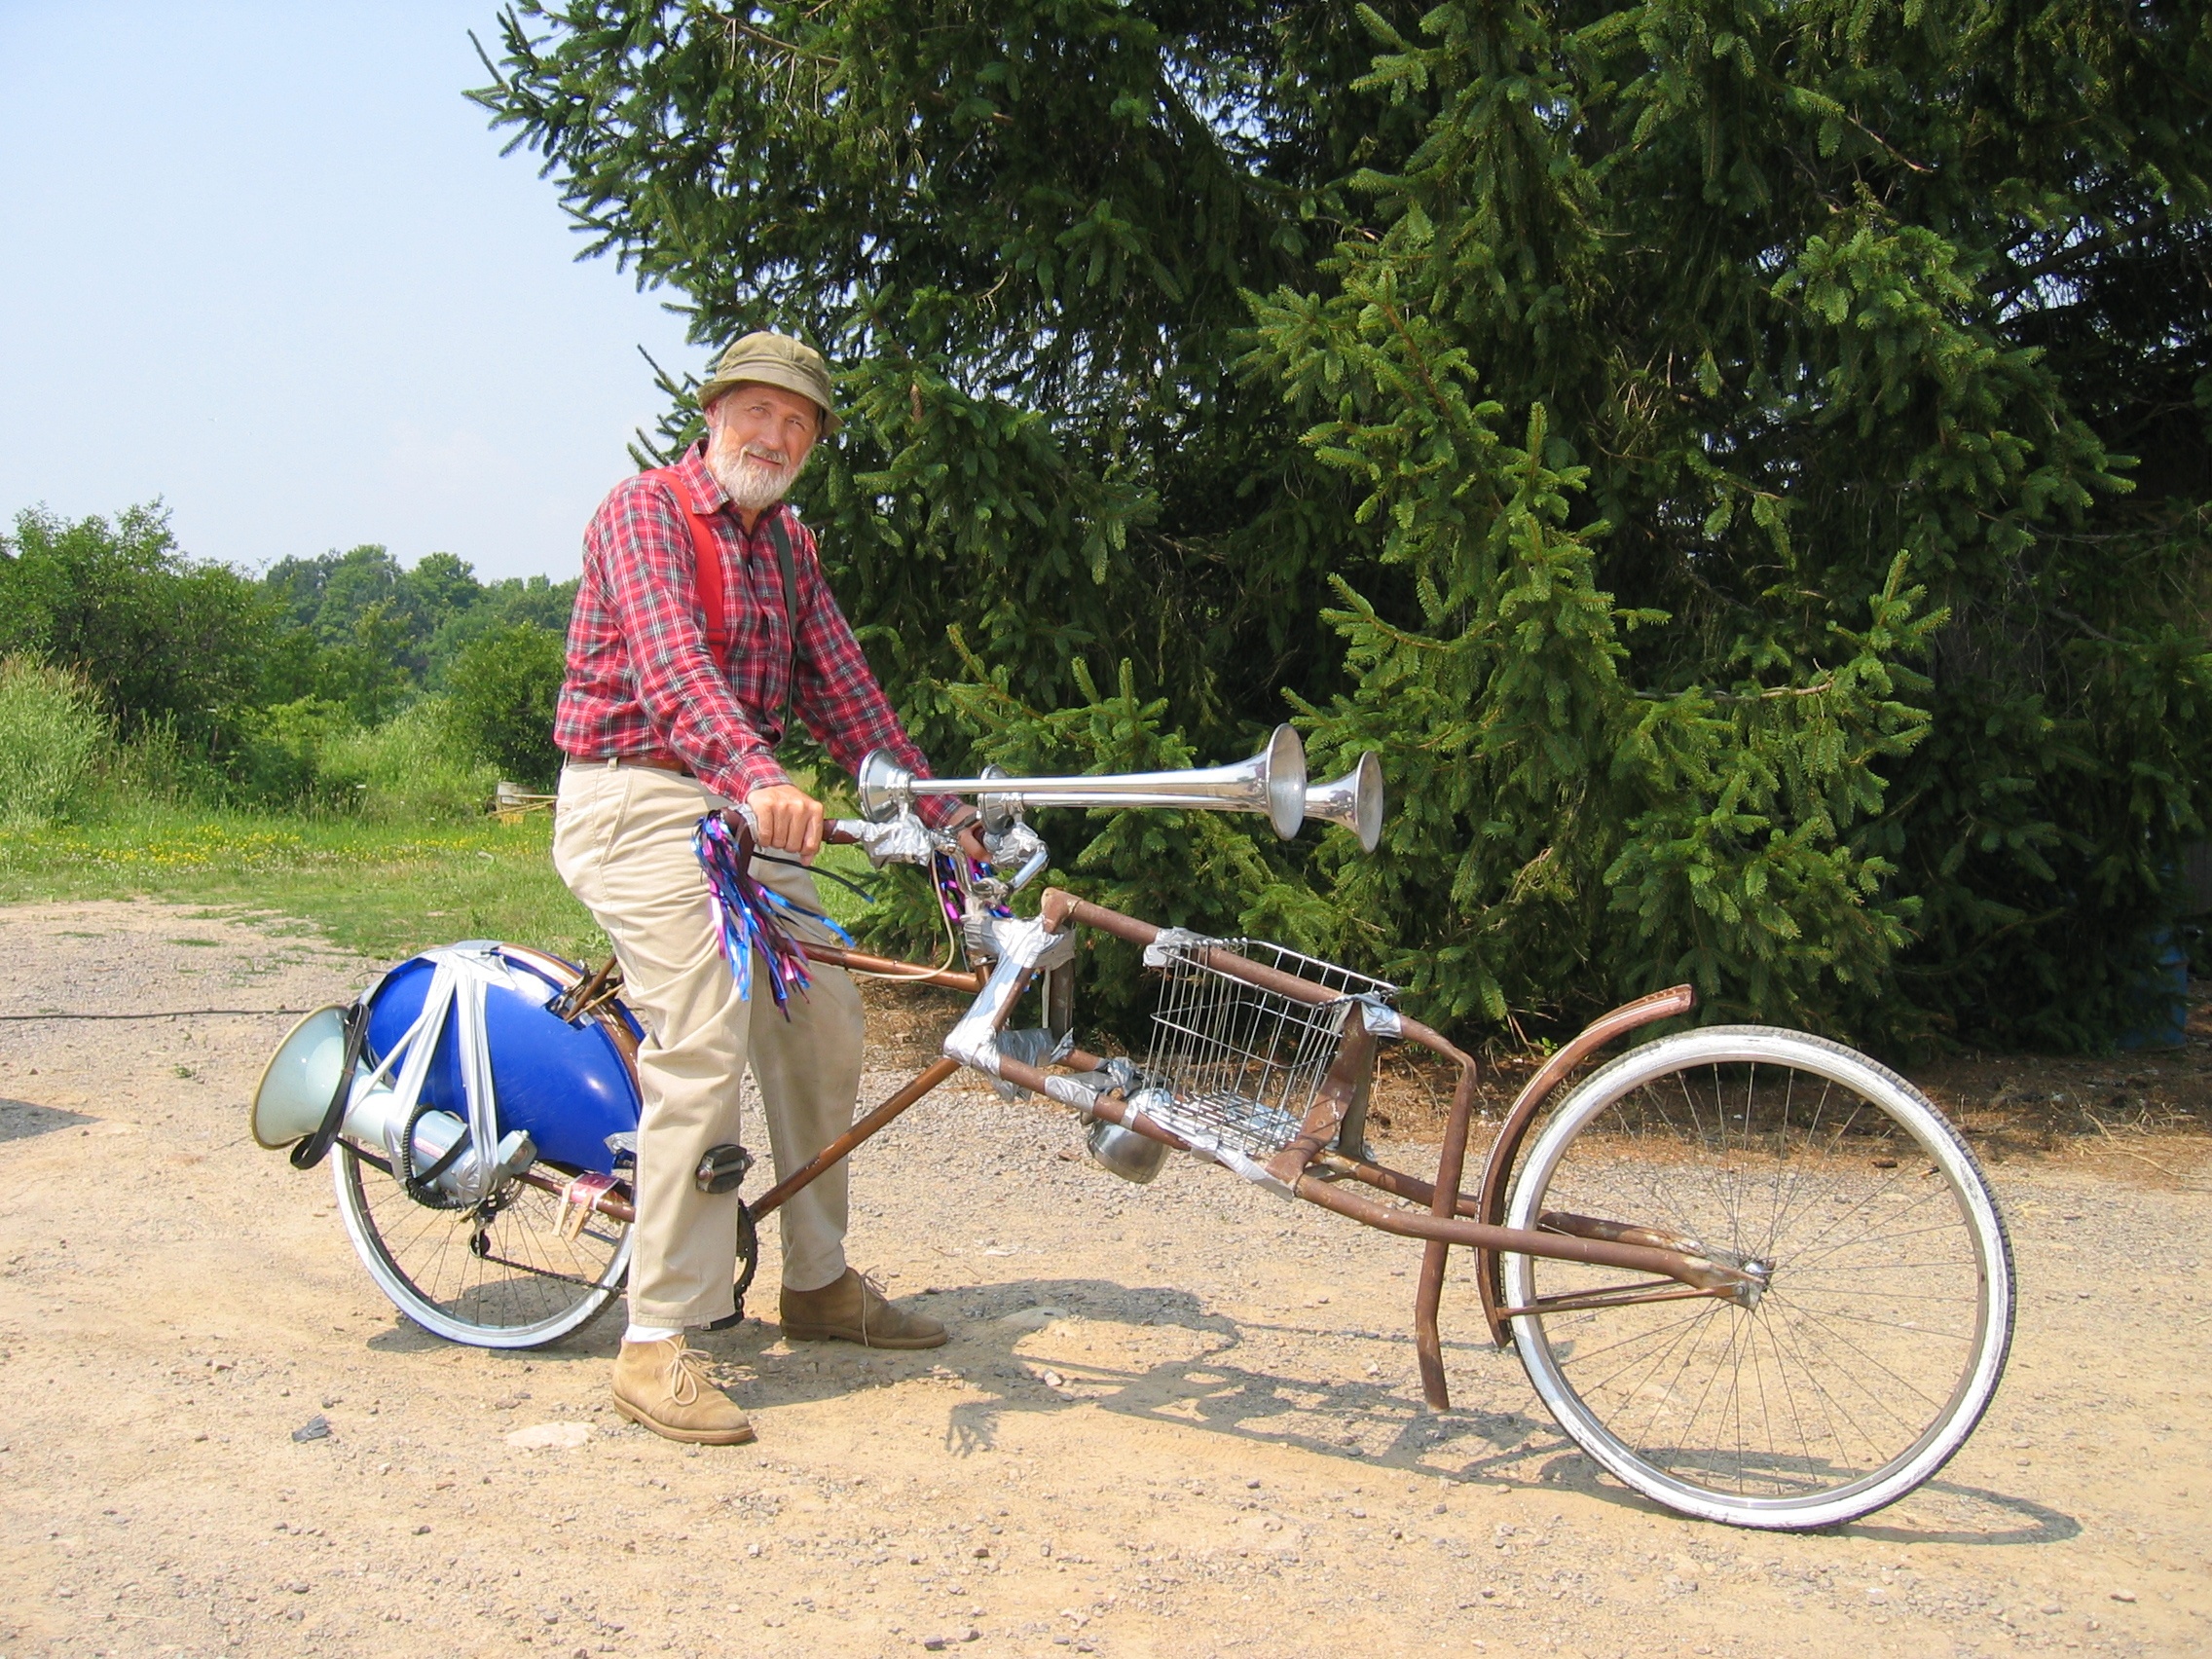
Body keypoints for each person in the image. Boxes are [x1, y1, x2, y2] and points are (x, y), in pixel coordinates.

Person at [550, 330, 979, 1445]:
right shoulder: (643, 512)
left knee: (826, 1020)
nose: (774, 437)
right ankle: (656, 1339)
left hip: (738, 812)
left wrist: (948, 820)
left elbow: (851, 696)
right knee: (703, 1027)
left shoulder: (789, 547)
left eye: (798, 424)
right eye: (757, 412)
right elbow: (671, 669)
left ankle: (819, 1282)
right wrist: (756, 776)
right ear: (714, 413)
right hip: (637, 798)